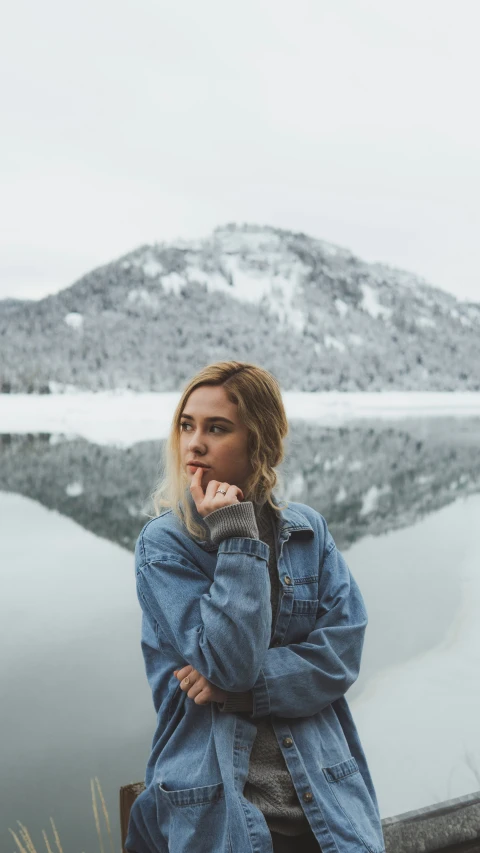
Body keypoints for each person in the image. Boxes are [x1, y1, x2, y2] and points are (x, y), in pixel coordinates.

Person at [125, 361, 385, 853]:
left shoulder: (309, 532)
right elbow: (230, 662)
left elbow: (341, 655)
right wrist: (237, 538)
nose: (194, 443)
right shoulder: (164, 546)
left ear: (259, 442)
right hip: (220, 809)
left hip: (325, 800)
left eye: (216, 428)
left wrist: (244, 693)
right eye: (187, 425)